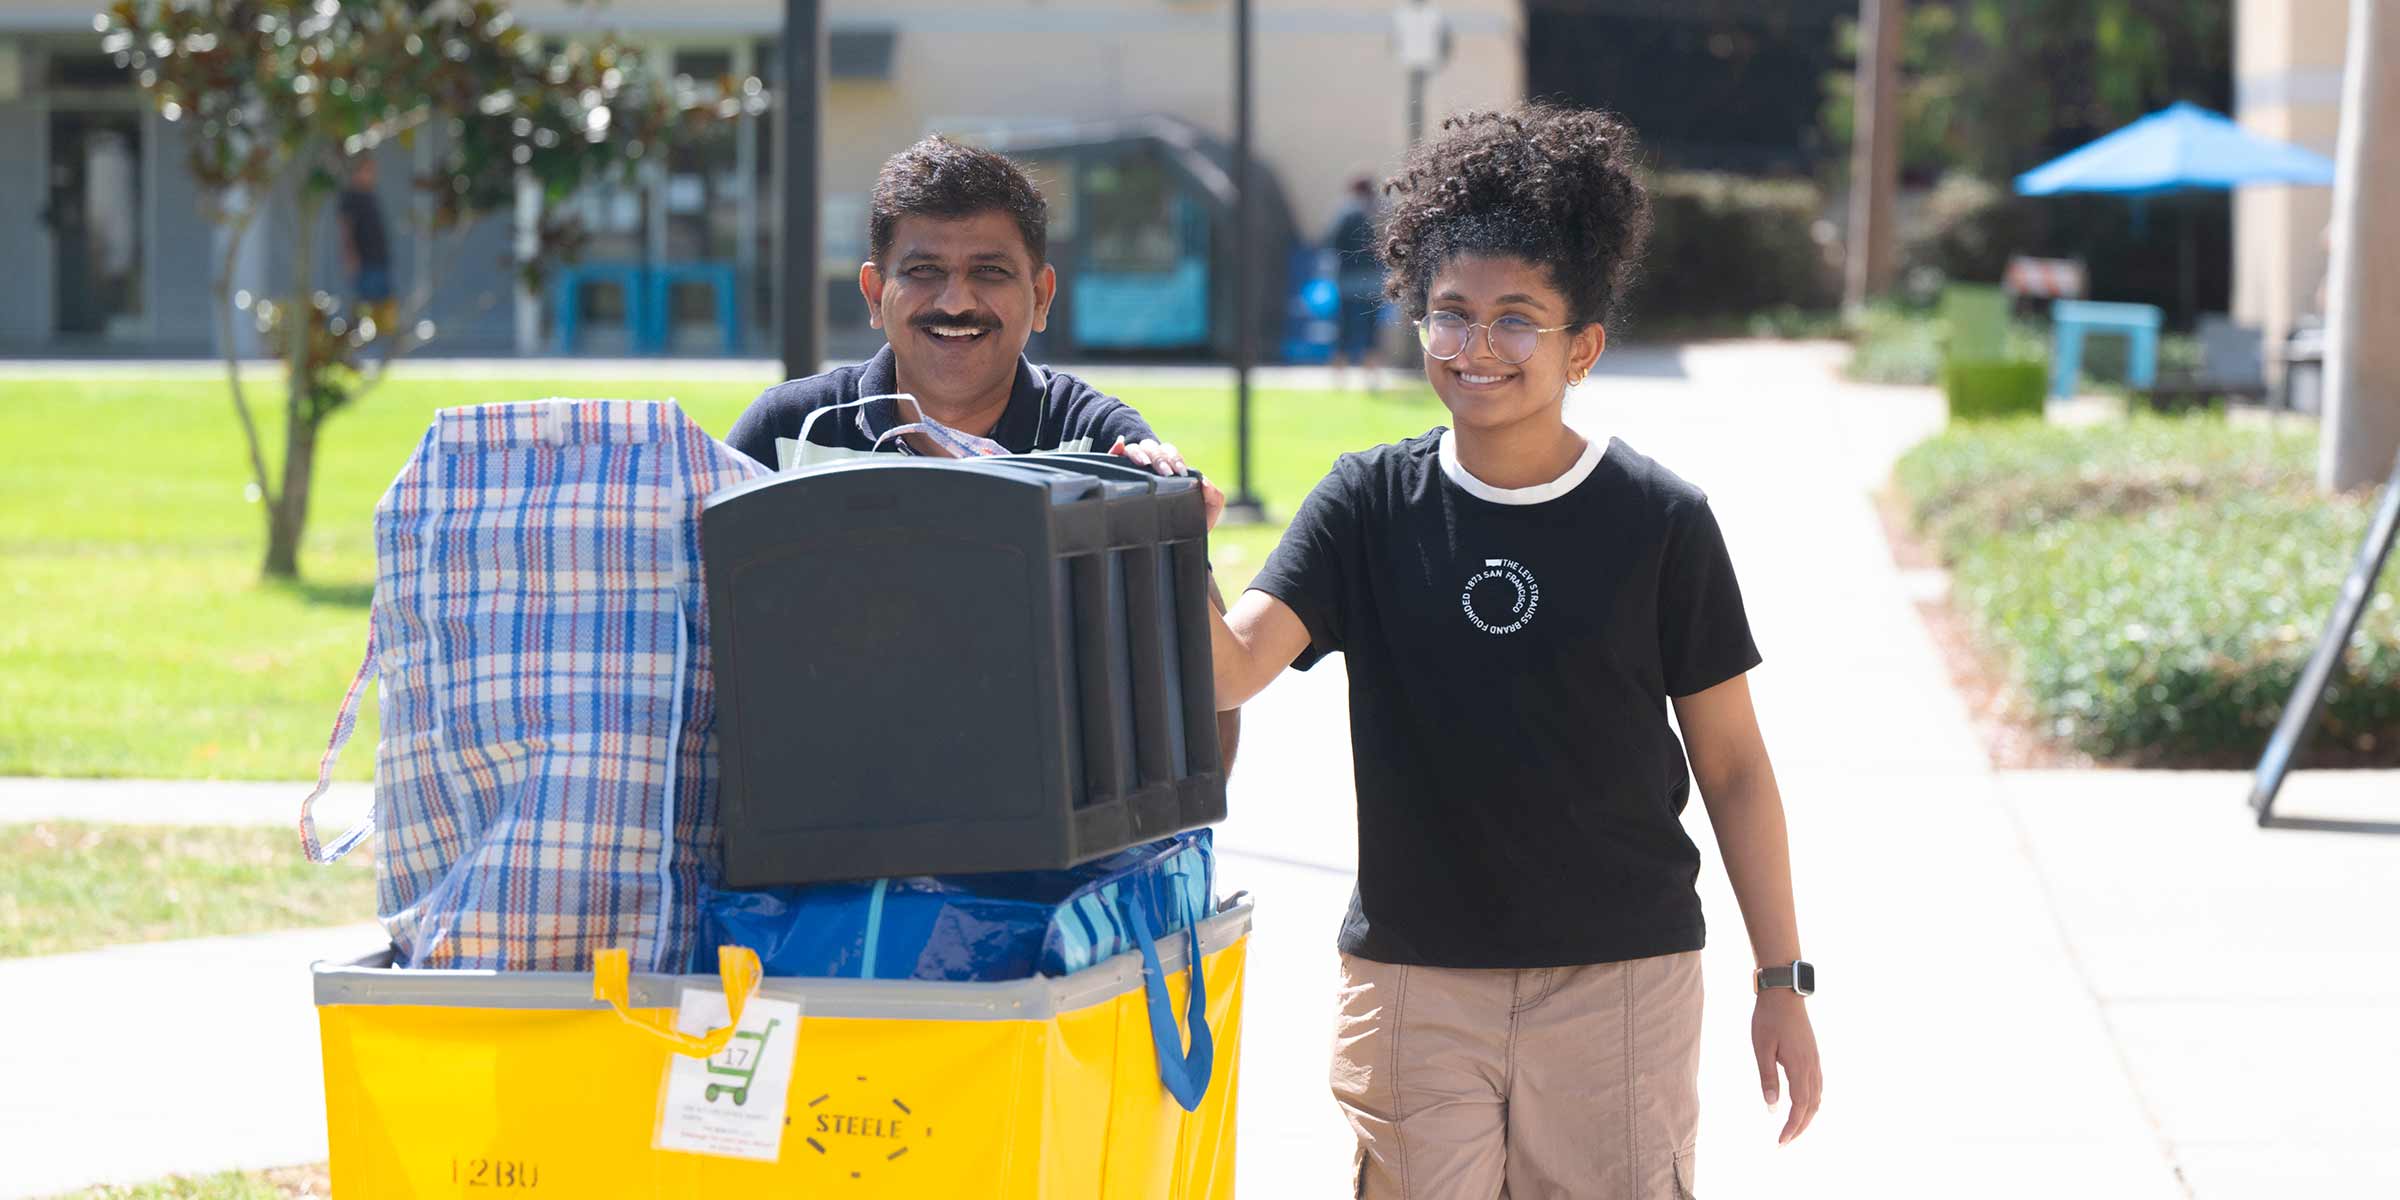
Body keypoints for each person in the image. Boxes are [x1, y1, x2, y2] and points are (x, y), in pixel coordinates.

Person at [1203, 104, 1821, 1196]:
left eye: (1517, 320)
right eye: (1451, 315)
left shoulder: (1661, 520)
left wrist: (1783, 978)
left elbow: (1732, 767)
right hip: (1415, 980)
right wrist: (1172, 535)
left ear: (1581, 345)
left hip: (1621, 980)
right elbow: (1226, 669)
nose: (1478, 347)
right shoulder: (1366, 504)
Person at [727, 135, 1239, 766]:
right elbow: (707, 656)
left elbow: (1201, 683)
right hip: (826, 831)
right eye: (923, 272)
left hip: (1045, 844)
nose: (956, 301)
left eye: (990, 272)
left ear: (1043, 295)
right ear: (871, 291)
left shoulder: (1099, 444)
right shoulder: (786, 436)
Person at [1326, 176, 1384, 394]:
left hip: (1348, 277)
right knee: (1372, 327)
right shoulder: (1378, 212)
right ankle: (1372, 375)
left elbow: (1331, 241)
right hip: (1373, 278)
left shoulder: (1346, 212)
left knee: (1344, 327)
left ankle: (1339, 376)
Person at [336, 156, 394, 331]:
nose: (373, 175)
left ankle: (383, 343)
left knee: (384, 305)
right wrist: (350, 256)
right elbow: (346, 230)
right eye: (368, 170)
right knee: (363, 305)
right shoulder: (350, 197)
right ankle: (354, 342)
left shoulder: (370, 195)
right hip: (364, 261)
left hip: (379, 258)